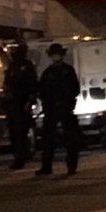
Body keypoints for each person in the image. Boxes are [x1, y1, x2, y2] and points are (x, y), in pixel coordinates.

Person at [36, 42, 81, 176]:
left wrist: (66, 101)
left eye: (58, 54)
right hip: (51, 110)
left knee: (71, 140)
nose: (56, 56)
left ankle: (71, 167)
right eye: (54, 54)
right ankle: (46, 166)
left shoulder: (68, 71)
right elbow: (42, 90)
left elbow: (75, 89)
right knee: (48, 140)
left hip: (66, 109)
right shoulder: (48, 72)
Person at [3, 42, 38, 170]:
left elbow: (33, 84)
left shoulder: (26, 66)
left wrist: (30, 101)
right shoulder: (12, 66)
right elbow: (7, 83)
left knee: (20, 132)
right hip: (13, 104)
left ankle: (21, 157)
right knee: (14, 132)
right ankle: (19, 156)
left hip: (22, 103)